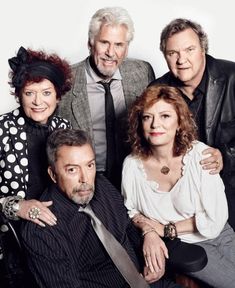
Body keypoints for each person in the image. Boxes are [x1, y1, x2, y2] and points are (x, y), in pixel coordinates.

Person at [21, 128, 181, 288]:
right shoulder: (41, 230)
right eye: (72, 169)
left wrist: (148, 237)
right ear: (53, 174)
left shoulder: (102, 185)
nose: (85, 179)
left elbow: (127, 227)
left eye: (89, 165)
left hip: (147, 281)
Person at [121, 84, 235, 288]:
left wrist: (165, 229)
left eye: (165, 116)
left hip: (221, 235)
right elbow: (131, 211)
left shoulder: (201, 155)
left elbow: (215, 218)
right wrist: (149, 231)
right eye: (147, 117)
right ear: (140, 123)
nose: (155, 124)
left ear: (179, 121)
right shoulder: (131, 166)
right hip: (187, 248)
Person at [150, 18, 235, 229]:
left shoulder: (232, 77)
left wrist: (225, 156)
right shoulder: (156, 91)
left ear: (203, 49)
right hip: (183, 202)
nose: (182, 60)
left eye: (189, 49)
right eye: (173, 53)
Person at [57, 7, 155, 188]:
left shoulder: (142, 72)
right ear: (90, 43)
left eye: (119, 45)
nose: (111, 52)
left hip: (138, 177)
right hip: (88, 181)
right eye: (104, 42)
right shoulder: (65, 81)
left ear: (126, 48)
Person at [0, 46, 72, 287]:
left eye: (46, 92)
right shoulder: (2, 130)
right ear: (19, 95)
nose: (38, 101)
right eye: (30, 93)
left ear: (58, 95)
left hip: (59, 239)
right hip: (11, 243)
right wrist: (17, 207)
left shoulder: (65, 128)